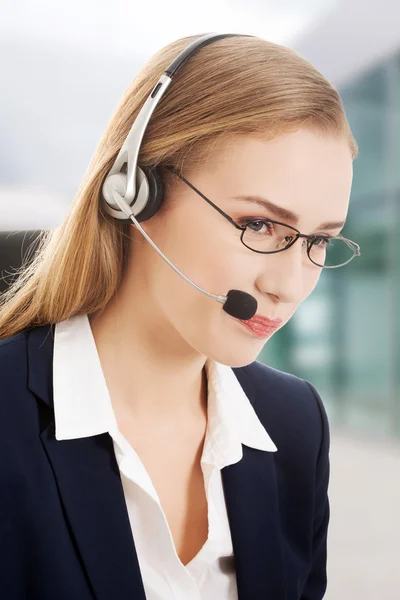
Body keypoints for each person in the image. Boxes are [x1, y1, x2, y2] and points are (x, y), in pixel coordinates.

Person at [0, 32, 360, 600]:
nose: (288, 286)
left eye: (318, 242)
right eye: (258, 225)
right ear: (134, 191)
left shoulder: (293, 425)